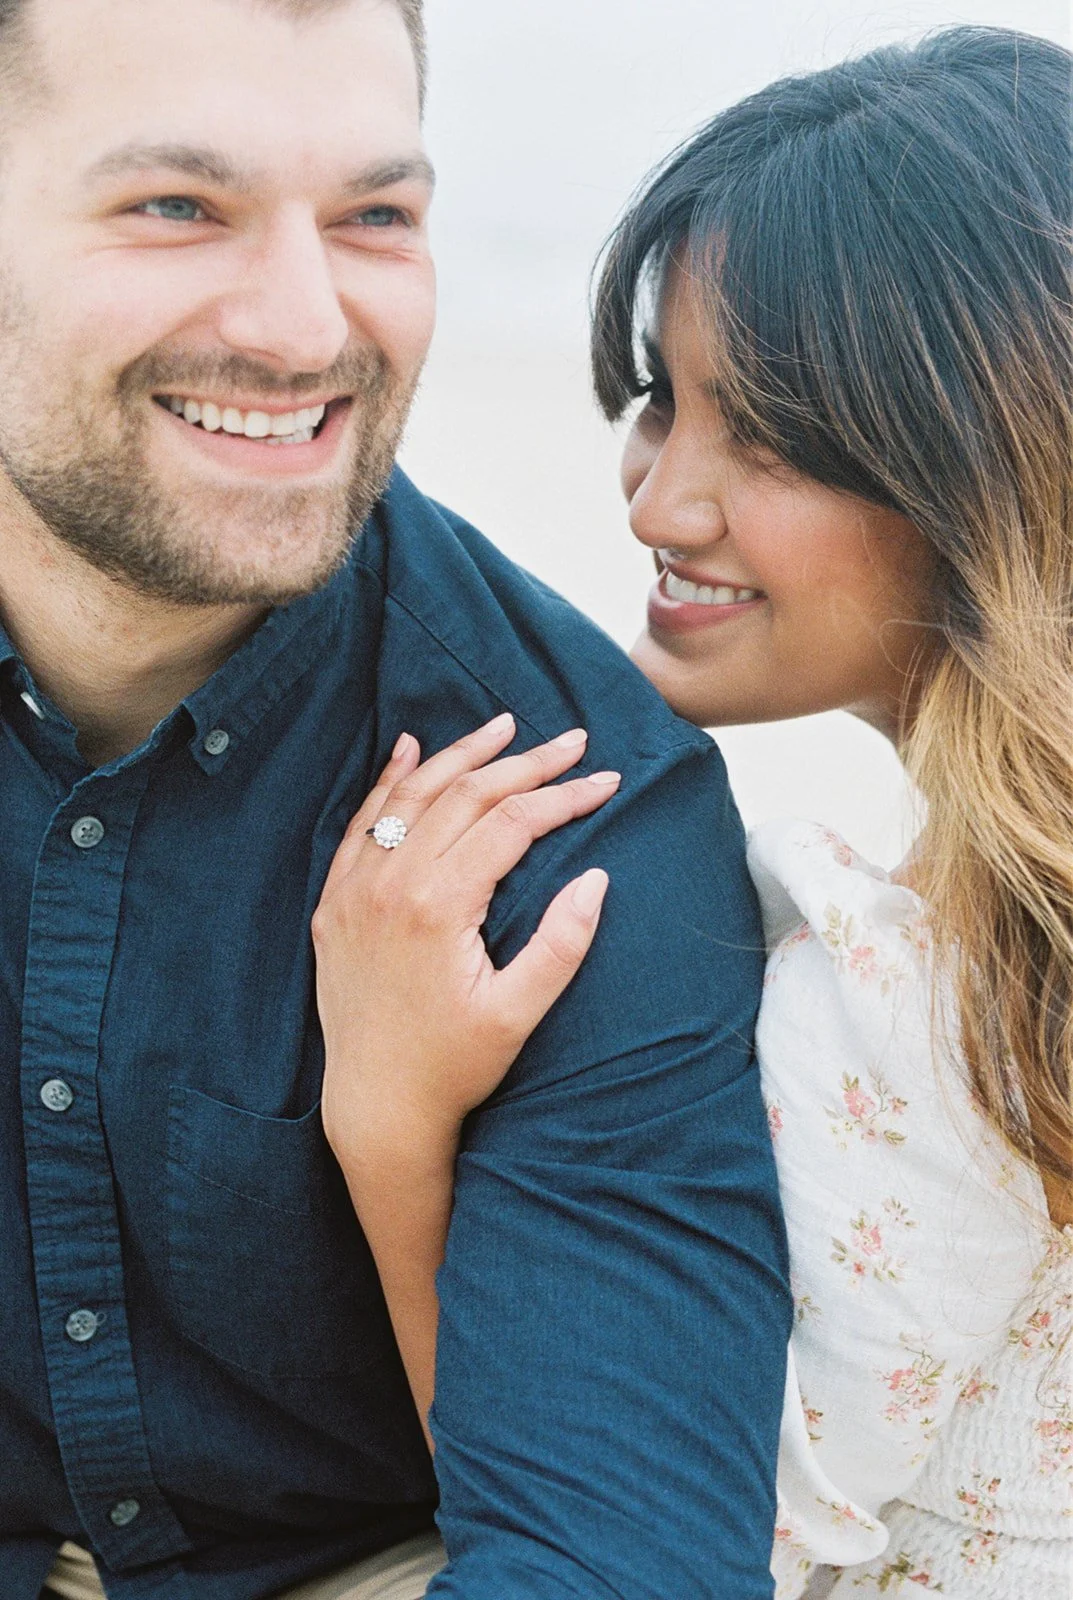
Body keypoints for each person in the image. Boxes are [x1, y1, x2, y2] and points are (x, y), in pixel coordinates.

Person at [0, 1, 791, 1597]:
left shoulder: (579, 815)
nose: (304, 330)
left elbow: (608, 1564)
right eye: (177, 208)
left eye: (375, 216)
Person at [314, 25, 1073, 1600]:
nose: (660, 497)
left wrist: (389, 1122)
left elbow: (668, 1551)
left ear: (1000, 472)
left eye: (776, 433)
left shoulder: (925, 1015)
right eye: (667, 398)